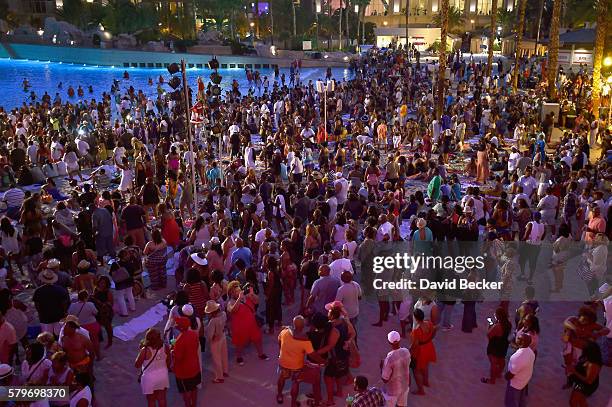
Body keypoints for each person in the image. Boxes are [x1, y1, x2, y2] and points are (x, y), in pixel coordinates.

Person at [276, 315, 324, 406]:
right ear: (302, 326)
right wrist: (323, 361)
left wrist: (282, 352)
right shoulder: (305, 341)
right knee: (295, 382)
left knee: (282, 378)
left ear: (293, 324)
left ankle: (279, 395)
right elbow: (312, 355)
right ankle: (293, 403)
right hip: (296, 366)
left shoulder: (284, 332)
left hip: (283, 362)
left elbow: (279, 341)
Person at [226, 281, 268, 365]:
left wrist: (252, 294)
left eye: (238, 290)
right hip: (239, 326)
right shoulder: (231, 302)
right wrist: (239, 299)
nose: (237, 292)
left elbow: (257, 301)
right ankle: (239, 357)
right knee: (239, 343)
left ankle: (261, 354)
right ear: (231, 293)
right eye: (235, 291)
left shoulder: (247, 297)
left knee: (257, 339)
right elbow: (233, 310)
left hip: (252, 324)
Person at [135, 328, 170, 407]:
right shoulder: (165, 347)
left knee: (151, 400)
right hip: (162, 375)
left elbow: (137, 365)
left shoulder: (145, 350)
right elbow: (169, 362)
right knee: (162, 398)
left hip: (149, 378)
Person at [172, 317, 201, 407]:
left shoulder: (180, 340)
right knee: (194, 388)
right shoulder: (194, 334)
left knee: (186, 393)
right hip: (195, 367)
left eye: (177, 324)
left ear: (180, 327)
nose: (175, 325)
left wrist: (172, 351)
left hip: (183, 372)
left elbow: (178, 357)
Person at [33, 270, 70, 336]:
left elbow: (37, 305)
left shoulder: (38, 291)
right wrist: (64, 312)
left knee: (47, 337)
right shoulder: (60, 289)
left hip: (45, 318)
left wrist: (40, 313)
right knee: (60, 335)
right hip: (58, 316)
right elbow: (64, 303)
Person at [504, 333, 535, 407]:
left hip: (515, 384)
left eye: (518, 339)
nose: (516, 339)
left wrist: (506, 376)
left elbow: (510, 374)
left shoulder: (517, 357)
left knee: (511, 402)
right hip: (524, 381)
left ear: (521, 342)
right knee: (522, 401)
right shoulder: (531, 352)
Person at [410, 308, 436, 395]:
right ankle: (426, 382)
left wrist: (409, 350)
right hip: (429, 346)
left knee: (416, 371)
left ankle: (421, 390)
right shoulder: (429, 323)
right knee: (426, 365)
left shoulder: (416, 330)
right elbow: (434, 331)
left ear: (415, 318)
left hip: (421, 350)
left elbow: (415, 344)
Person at [568, 341, 603, 407]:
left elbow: (589, 381)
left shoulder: (594, 365)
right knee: (581, 400)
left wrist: (574, 371)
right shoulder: (588, 357)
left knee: (573, 401)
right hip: (581, 382)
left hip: (585, 385)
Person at [482, 307, 511, 384]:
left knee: (493, 363)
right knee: (501, 359)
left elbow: (489, 335)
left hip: (495, 345)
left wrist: (489, 326)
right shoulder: (508, 324)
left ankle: (492, 380)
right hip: (504, 344)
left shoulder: (498, 326)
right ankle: (499, 374)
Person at [381, 330, 410, 406]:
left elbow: (385, 379)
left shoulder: (389, 358)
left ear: (389, 342)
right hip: (405, 385)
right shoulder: (406, 351)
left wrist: (381, 367)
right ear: (399, 340)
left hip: (393, 390)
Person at [204, 300, 228, 383]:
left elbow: (210, 335)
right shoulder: (224, 314)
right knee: (224, 355)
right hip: (223, 336)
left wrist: (209, 339)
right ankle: (225, 371)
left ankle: (219, 377)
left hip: (215, 340)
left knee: (216, 359)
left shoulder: (213, 321)